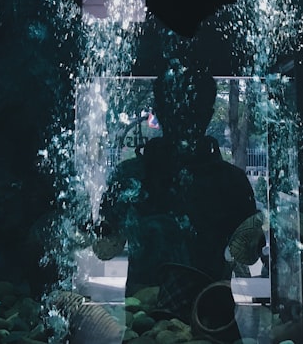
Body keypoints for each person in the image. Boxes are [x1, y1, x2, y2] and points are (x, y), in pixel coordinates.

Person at [94, 65, 258, 297]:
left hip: (145, 316)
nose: (184, 118)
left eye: (191, 109)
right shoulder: (232, 181)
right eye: (178, 109)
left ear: (158, 111)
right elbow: (248, 255)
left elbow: (105, 247)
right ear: (209, 114)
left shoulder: (129, 176)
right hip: (208, 315)